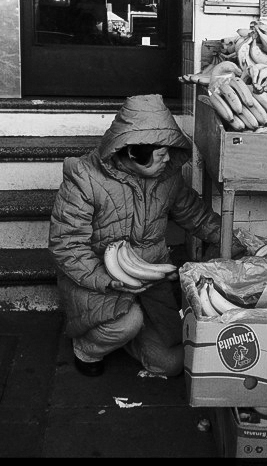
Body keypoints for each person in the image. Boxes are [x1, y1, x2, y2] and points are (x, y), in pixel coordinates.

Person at [48, 94, 223, 378]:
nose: (167, 156)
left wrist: (237, 242)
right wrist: (109, 280)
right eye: (159, 150)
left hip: (153, 284)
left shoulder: (167, 178)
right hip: (98, 283)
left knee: (172, 364)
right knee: (126, 323)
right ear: (131, 151)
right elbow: (66, 246)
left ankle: (131, 337)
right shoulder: (84, 178)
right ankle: (88, 347)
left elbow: (198, 217)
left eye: (169, 148)